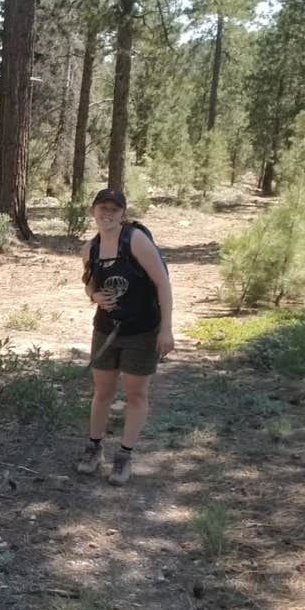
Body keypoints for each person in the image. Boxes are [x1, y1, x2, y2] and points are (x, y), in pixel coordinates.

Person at [77, 189, 174, 486]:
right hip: (106, 328)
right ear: (92, 211)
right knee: (102, 391)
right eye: (102, 208)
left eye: (114, 209)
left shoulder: (135, 241)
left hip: (142, 329)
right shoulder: (90, 249)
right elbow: (89, 284)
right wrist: (94, 295)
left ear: (122, 214)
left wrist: (166, 329)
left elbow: (162, 284)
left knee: (136, 394)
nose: (107, 214)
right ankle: (94, 448)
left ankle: (124, 455)